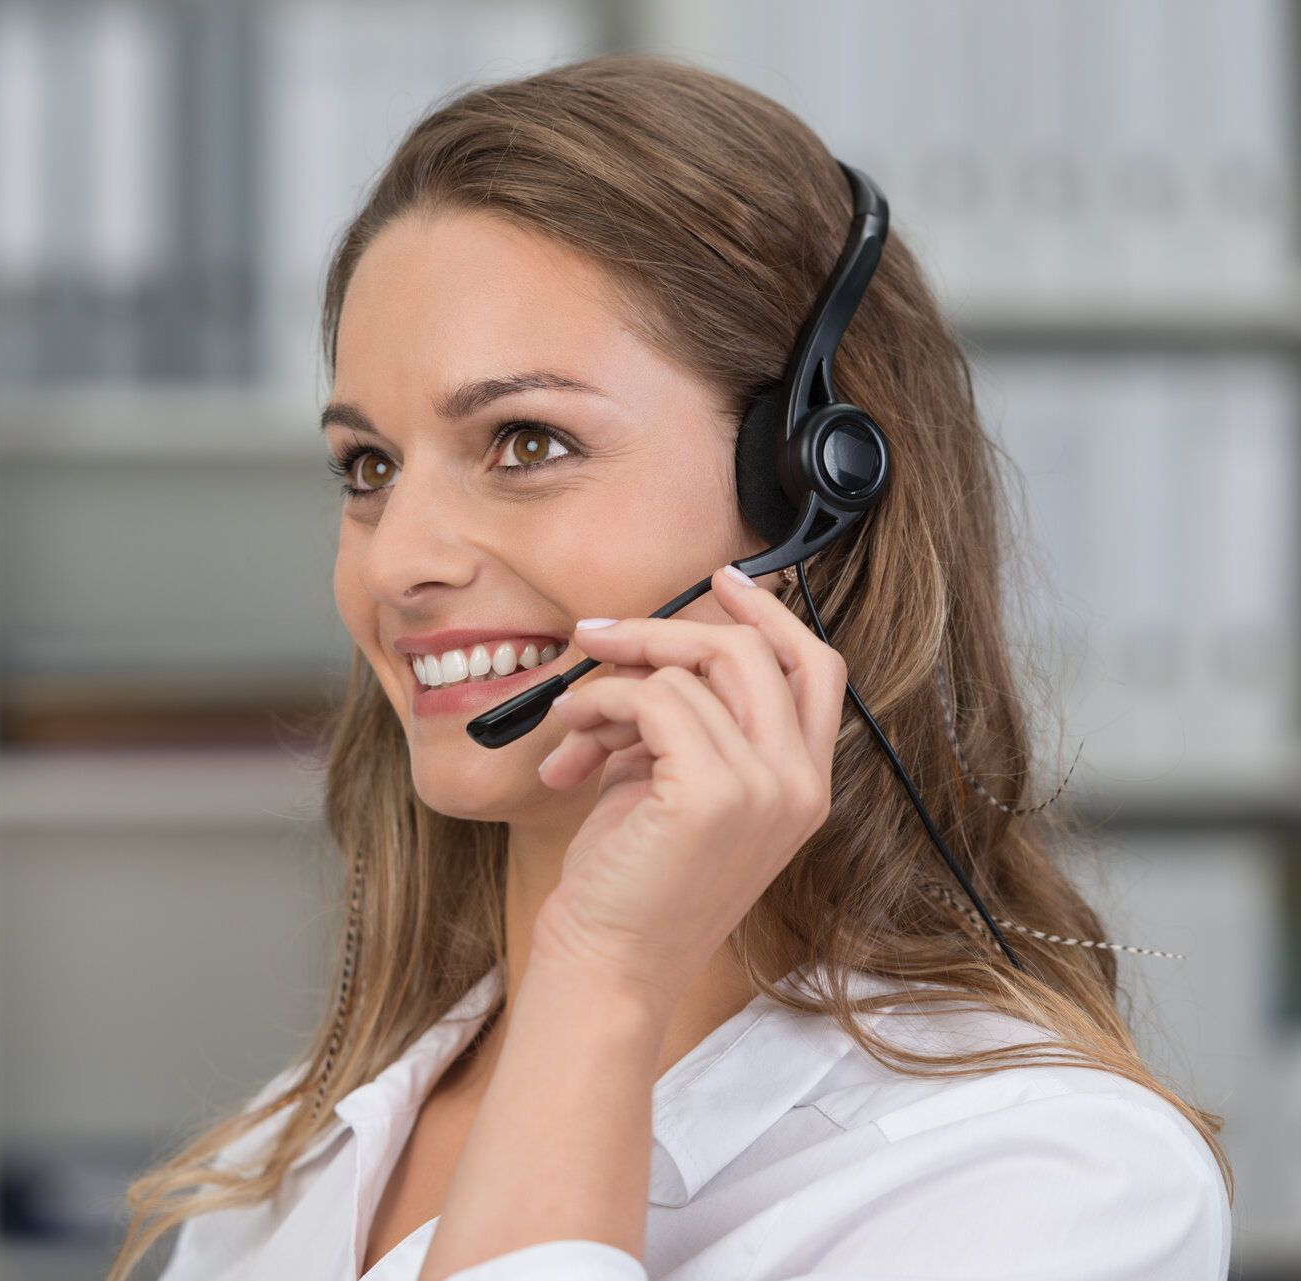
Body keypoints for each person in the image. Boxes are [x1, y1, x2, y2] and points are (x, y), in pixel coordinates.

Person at [108, 53, 1233, 1281]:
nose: (399, 565)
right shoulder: (298, 1149)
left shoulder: (1044, 1183)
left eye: (525, 442)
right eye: (368, 468)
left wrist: (599, 984)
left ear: (812, 493)